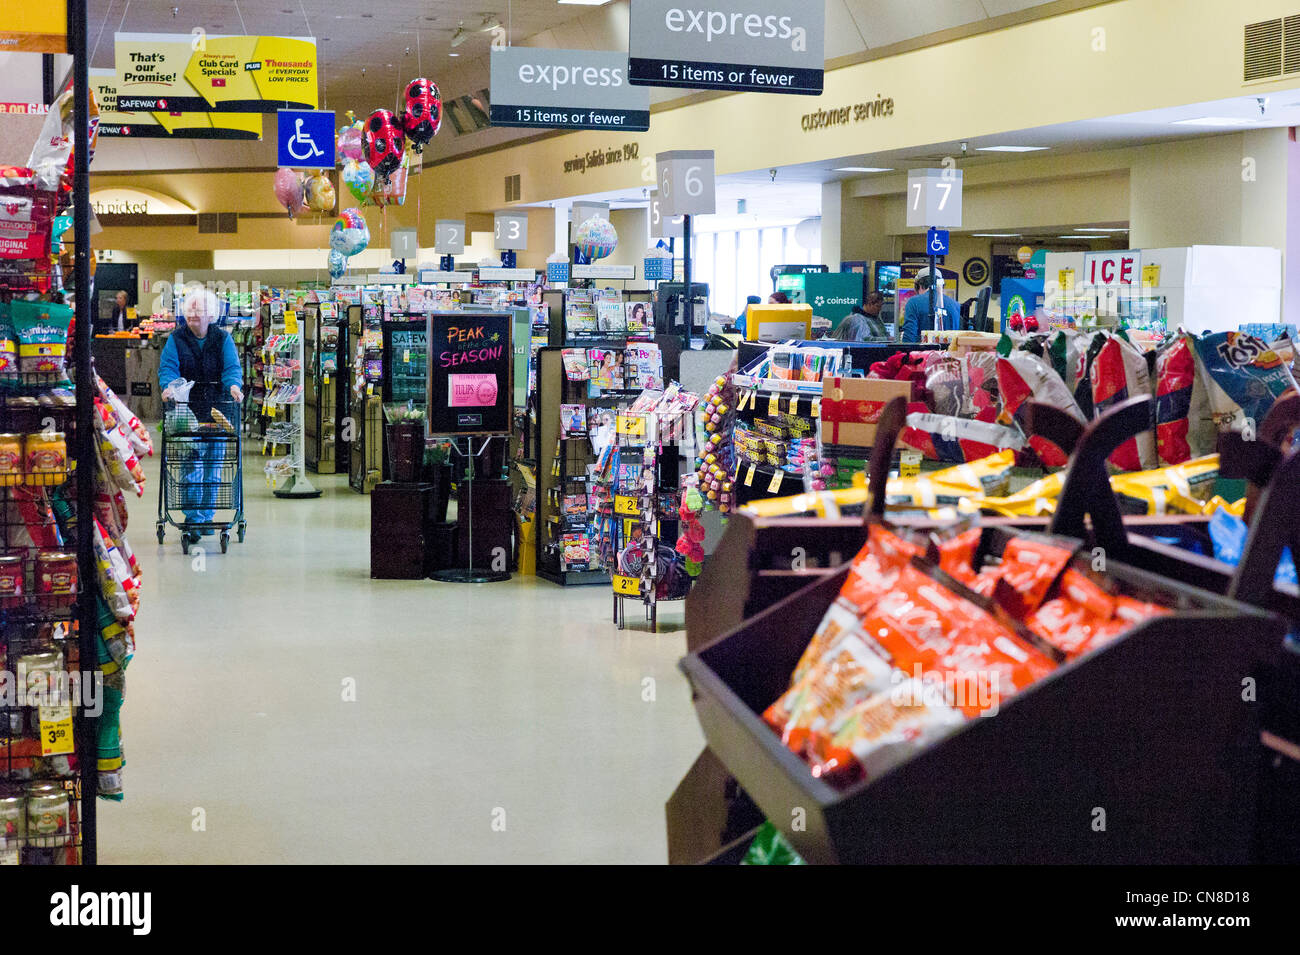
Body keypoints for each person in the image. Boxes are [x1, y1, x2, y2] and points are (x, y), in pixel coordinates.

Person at [159, 287, 244, 542]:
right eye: (191, 312)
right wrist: (169, 388)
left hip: (219, 412)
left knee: (214, 468)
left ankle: (206, 517)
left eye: (200, 312)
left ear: (212, 315)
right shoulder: (176, 339)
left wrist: (234, 387)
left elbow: (231, 368)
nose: (195, 316)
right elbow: (168, 369)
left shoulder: (223, 339)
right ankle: (194, 518)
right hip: (186, 414)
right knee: (190, 466)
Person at [901, 269, 962, 342]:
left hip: (923, 353)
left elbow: (909, 339)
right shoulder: (956, 305)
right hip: (949, 352)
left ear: (919, 285)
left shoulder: (913, 302)